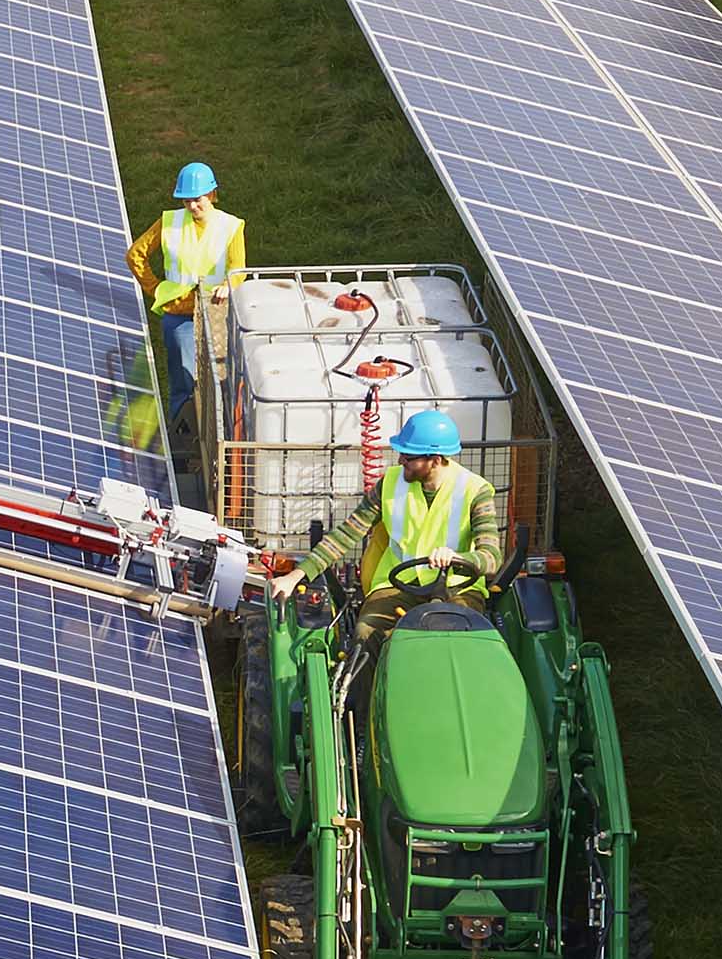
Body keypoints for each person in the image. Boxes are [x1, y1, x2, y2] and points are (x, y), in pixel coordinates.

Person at [282, 409, 504, 651]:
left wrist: (459, 558)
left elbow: (491, 558)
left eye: (409, 457)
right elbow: (347, 534)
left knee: (461, 641)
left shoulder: (476, 491)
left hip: (457, 589)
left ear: (436, 459)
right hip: (398, 588)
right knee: (366, 633)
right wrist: (296, 576)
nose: (400, 461)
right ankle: (363, 689)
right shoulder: (390, 483)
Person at [128, 161, 246, 452]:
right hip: (179, 314)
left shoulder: (231, 226)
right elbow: (136, 255)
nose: (192, 205)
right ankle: (182, 439)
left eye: (198, 199)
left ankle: (221, 435)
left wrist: (228, 285)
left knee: (221, 377)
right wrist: (155, 288)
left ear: (213, 194)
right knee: (183, 377)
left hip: (216, 312)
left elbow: (239, 267)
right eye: (187, 200)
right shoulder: (169, 222)